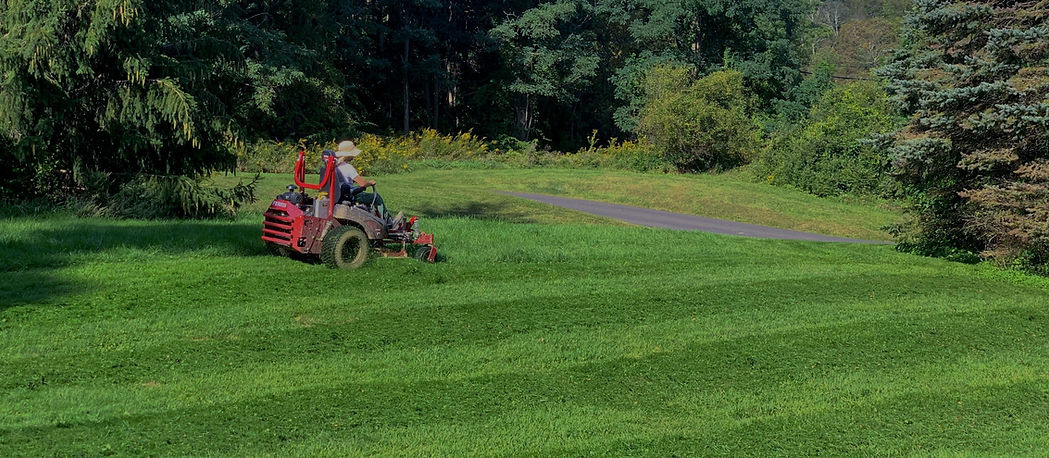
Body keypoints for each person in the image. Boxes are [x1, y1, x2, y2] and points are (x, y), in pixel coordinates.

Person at [323, 140, 403, 227]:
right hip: (349, 196)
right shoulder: (348, 167)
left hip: (336, 195)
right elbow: (362, 184)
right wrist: (370, 182)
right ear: (349, 155)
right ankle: (389, 222)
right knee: (376, 198)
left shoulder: (332, 166)